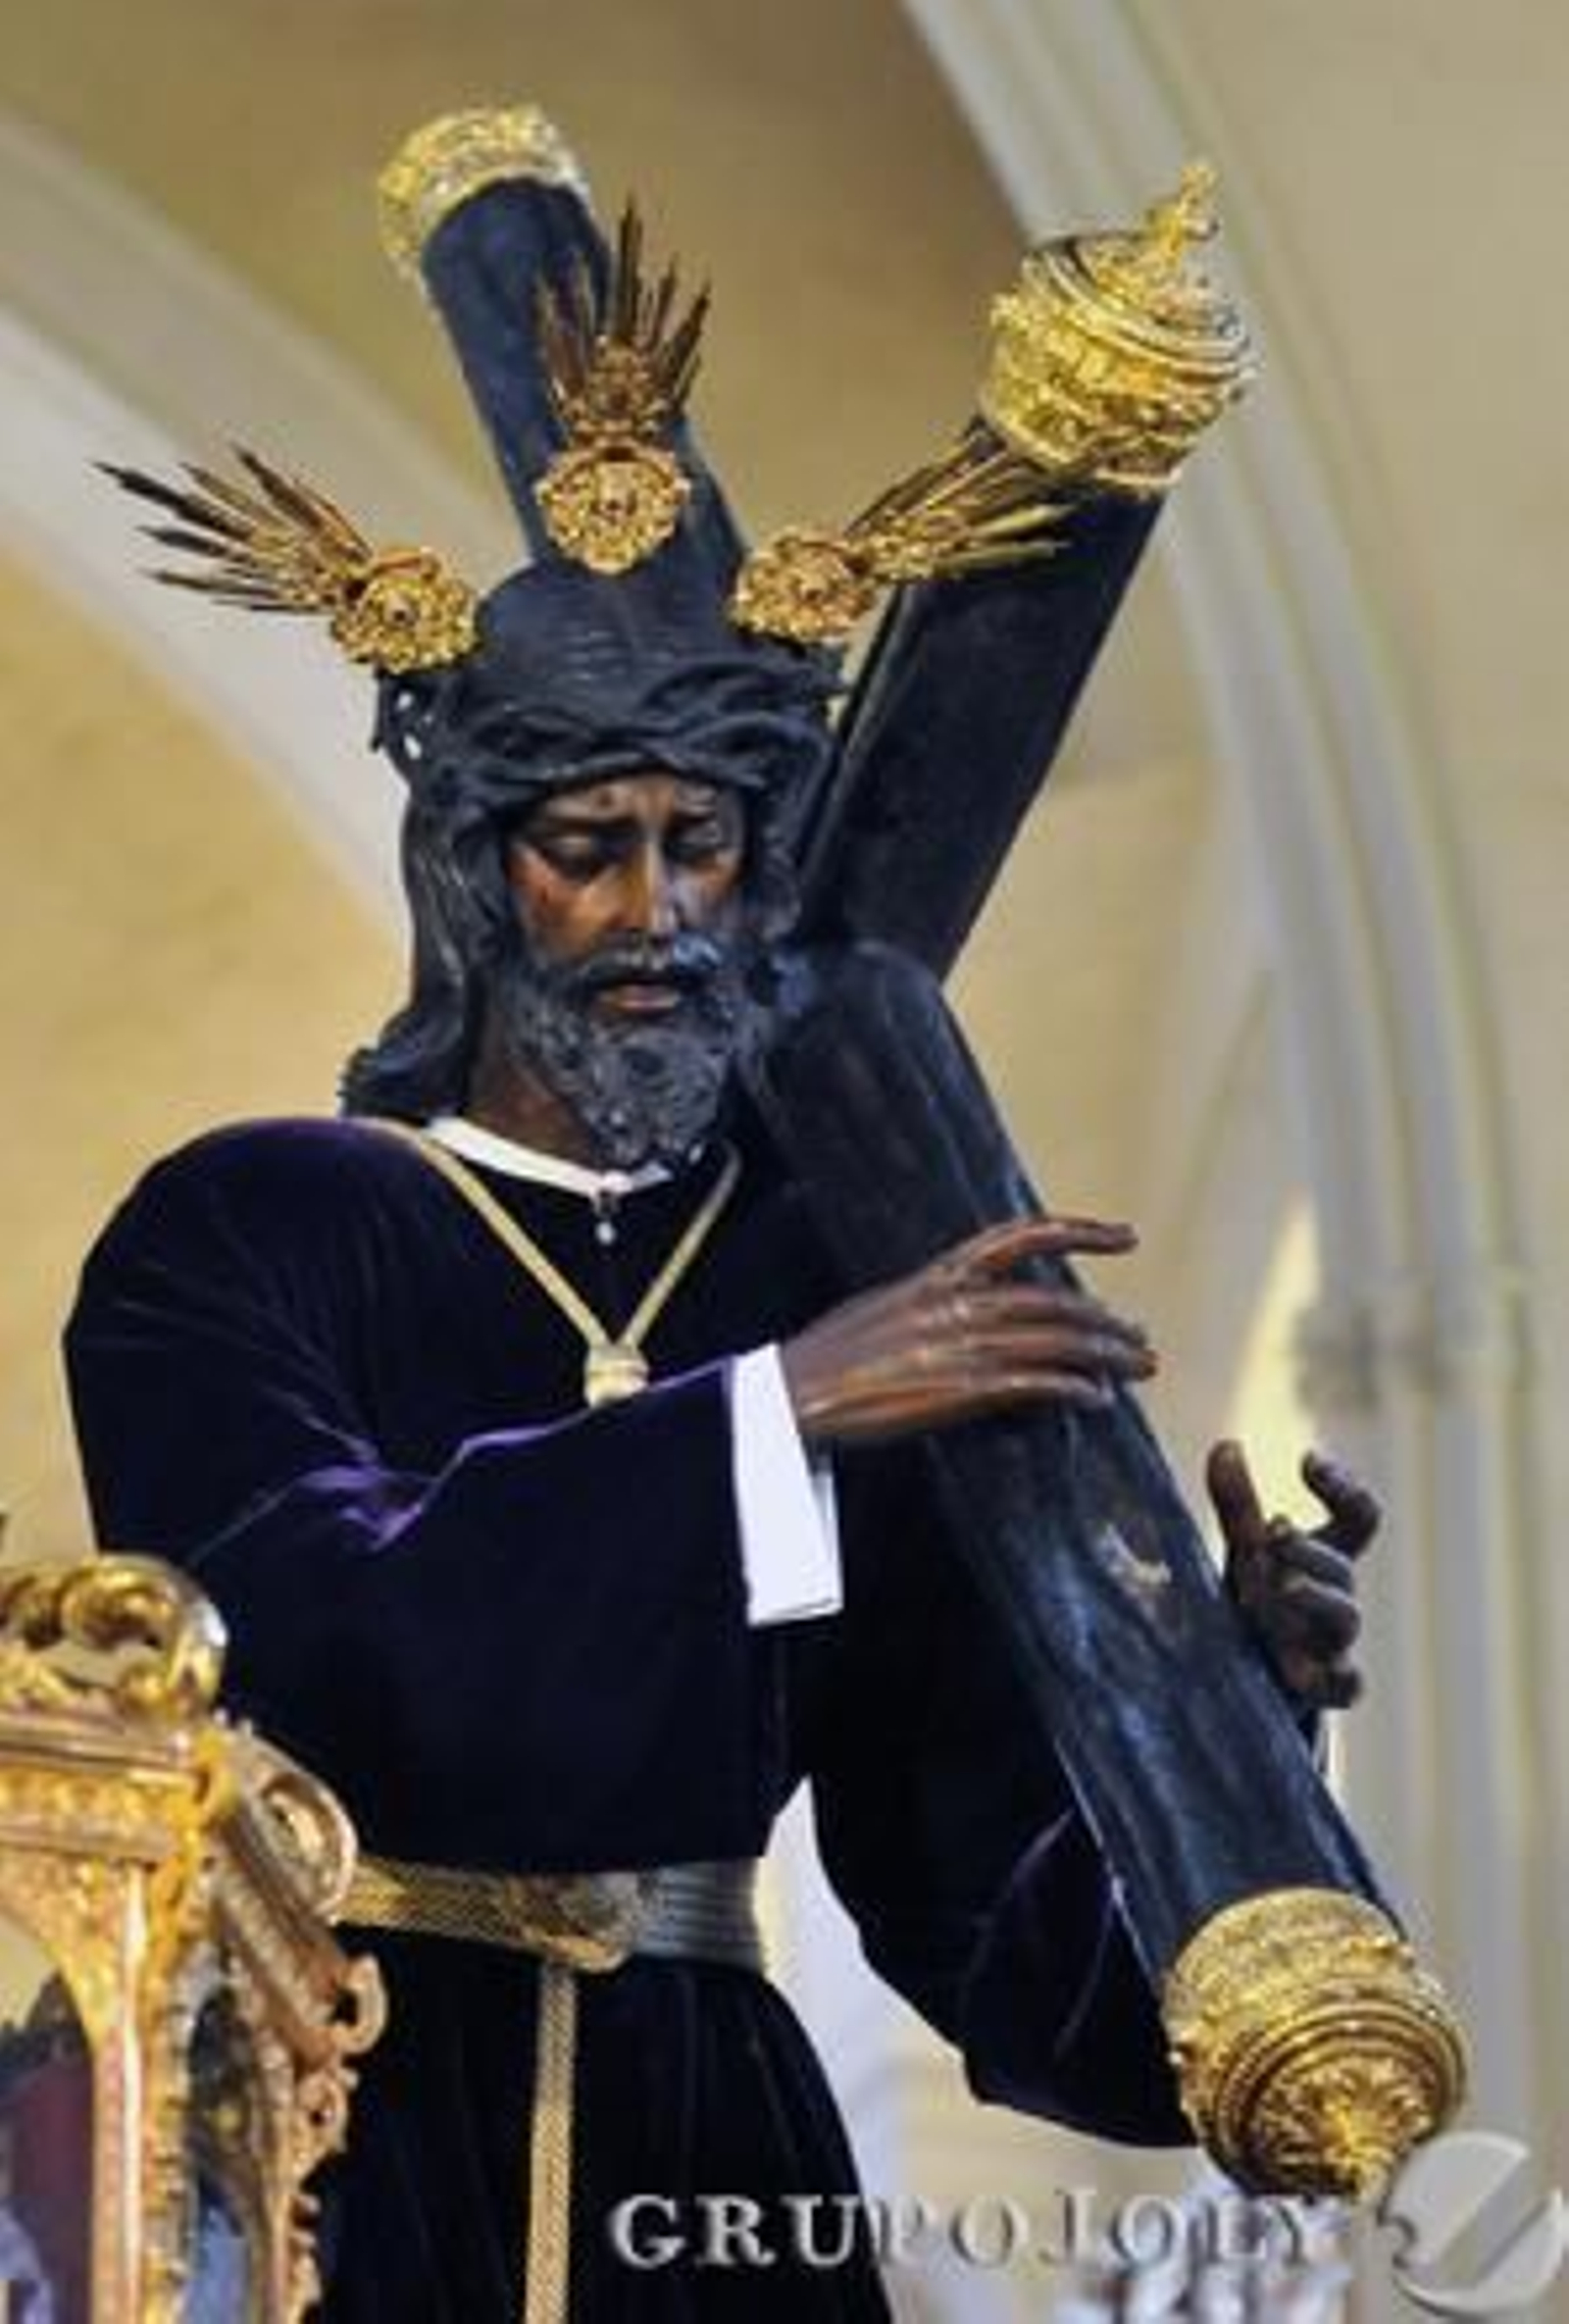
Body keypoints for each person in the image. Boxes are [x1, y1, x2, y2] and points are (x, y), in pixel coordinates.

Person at [65, 110, 1375, 2321]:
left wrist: (1204, 1712)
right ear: (474, 881)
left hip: (718, 2168)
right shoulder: (253, 1230)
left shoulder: (823, 1272)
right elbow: (327, 1650)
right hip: (332, 2143)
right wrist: (771, 1417)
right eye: (589, 844)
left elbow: (976, 1918)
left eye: (710, 845)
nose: (658, 911)